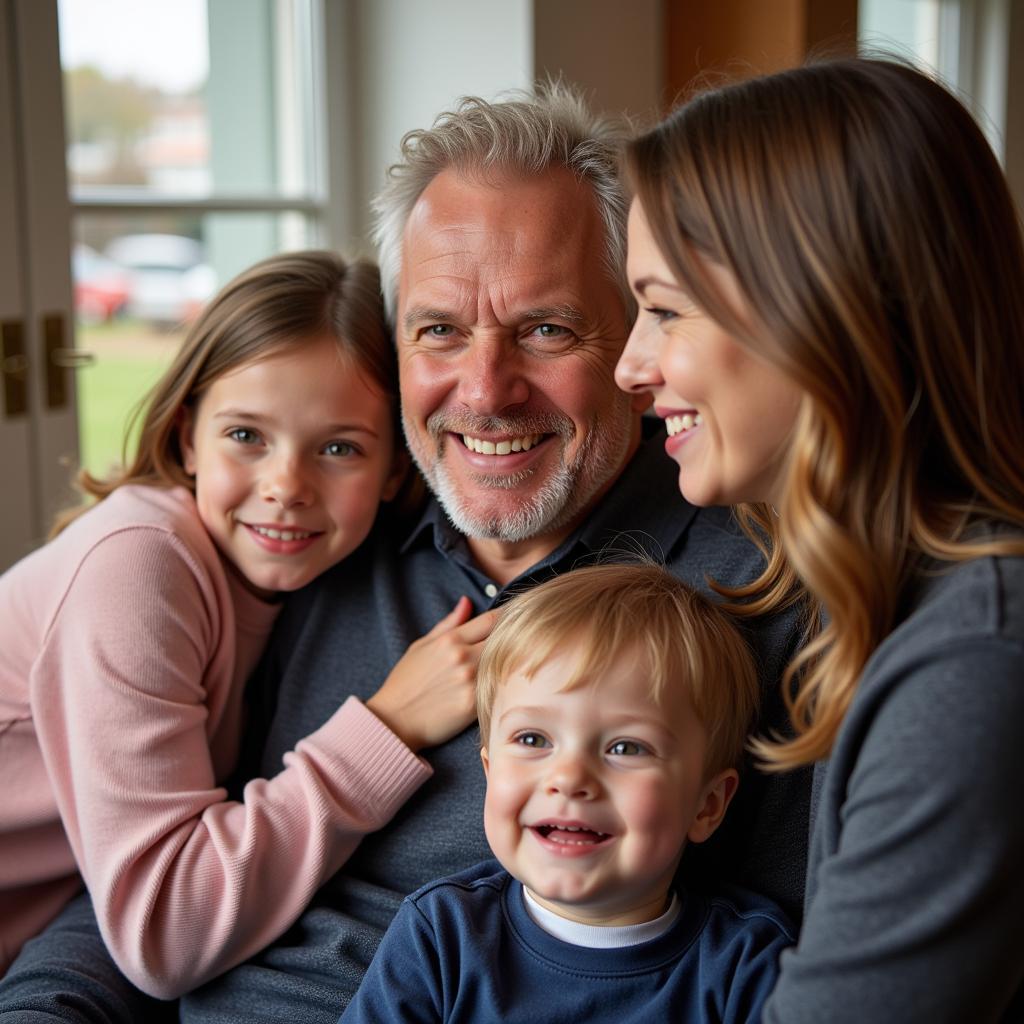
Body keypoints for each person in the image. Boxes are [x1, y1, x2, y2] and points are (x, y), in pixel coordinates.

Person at [0, 86, 808, 1024]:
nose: (485, 390)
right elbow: (159, 874)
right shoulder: (323, 541)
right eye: (439, 330)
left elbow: (778, 961)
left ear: (631, 339)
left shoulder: (750, 593)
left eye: (545, 329)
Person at [614, 56, 1024, 1022]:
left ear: (822, 314)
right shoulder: (877, 593)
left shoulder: (974, 663)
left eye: (665, 309)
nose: (630, 365)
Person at [0, 250, 495, 995]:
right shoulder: (138, 563)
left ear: (397, 469)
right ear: (185, 432)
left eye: (338, 448)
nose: (286, 488)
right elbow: (165, 932)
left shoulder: (307, 585)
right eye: (245, 436)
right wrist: (389, 729)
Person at [341, 563, 794, 1024]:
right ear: (490, 769)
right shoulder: (441, 934)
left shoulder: (749, 966)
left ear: (709, 804)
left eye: (626, 747)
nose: (570, 777)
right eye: (534, 739)